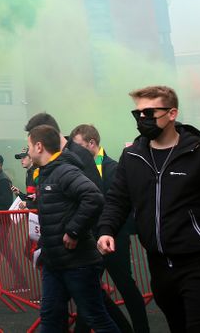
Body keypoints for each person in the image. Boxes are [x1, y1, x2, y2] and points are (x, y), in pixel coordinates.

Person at [98, 85, 200, 332]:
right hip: (160, 267)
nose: (142, 119)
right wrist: (106, 229)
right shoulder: (132, 157)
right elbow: (117, 199)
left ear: (172, 113)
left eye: (149, 113)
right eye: (137, 114)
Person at [26, 125, 119, 333]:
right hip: (54, 262)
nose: (28, 151)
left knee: (96, 318)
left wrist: (74, 230)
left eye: (29, 146)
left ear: (39, 146)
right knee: (49, 317)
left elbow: (94, 197)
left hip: (78, 263)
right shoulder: (45, 173)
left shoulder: (63, 171)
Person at [70, 123, 149, 333]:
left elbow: (116, 205)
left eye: (78, 146)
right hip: (91, 239)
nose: (75, 151)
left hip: (114, 239)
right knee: (91, 291)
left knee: (125, 286)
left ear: (91, 143)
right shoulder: (80, 169)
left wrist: (108, 232)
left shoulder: (113, 168)